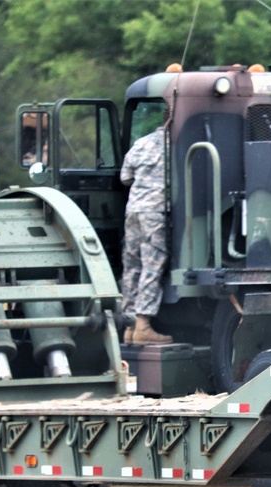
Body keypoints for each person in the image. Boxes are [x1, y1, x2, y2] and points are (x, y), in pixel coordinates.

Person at [120, 110, 173, 345]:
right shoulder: (177, 146)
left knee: (132, 267)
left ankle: (129, 328)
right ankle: (143, 325)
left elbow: (125, 178)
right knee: (152, 266)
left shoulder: (141, 143)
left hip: (133, 211)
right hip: (155, 213)